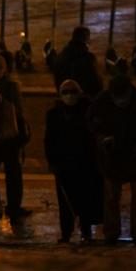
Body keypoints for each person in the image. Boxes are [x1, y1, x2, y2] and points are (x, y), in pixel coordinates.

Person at [88, 75, 136, 245]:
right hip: (112, 157)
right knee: (111, 197)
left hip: (135, 157)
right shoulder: (102, 101)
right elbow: (91, 123)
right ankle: (111, 233)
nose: (120, 102)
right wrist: (103, 139)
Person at [44, 79, 102, 243]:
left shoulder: (87, 112)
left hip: (84, 163)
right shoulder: (54, 114)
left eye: (73, 92)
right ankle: (66, 232)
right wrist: (52, 161)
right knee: (65, 201)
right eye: (65, 92)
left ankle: (86, 231)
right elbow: (49, 140)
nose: (69, 96)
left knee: (85, 199)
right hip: (63, 163)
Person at [0, 53, 31, 220]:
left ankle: (13, 206)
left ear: (5, 69)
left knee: (13, 175)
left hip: (9, 138)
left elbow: (19, 112)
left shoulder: (11, 87)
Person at [52, 26, 103, 98]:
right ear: (86, 38)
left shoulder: (60, 57)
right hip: (82, 99)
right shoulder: (88, 58)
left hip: (63, 97)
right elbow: (96, 84)